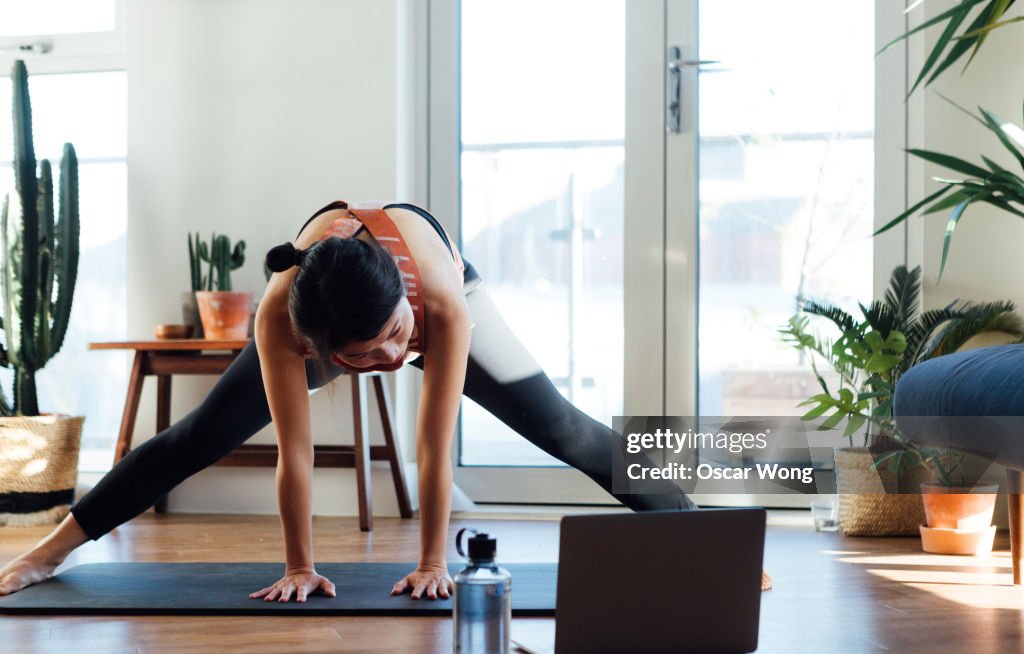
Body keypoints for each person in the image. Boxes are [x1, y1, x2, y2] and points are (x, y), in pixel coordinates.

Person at [0, 200, 770, 600]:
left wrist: (434, 560)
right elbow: (294, 453)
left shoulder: (434, 300)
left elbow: (434, 447)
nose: (394, 362)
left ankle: (710, 539)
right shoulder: (282, 319)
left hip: (443, 294)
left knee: (563, 426)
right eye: (368, 359)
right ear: (323, 352)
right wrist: (299, 564)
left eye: (397, 341)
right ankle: (47, 550)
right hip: (340, 314)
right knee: (197, 435)